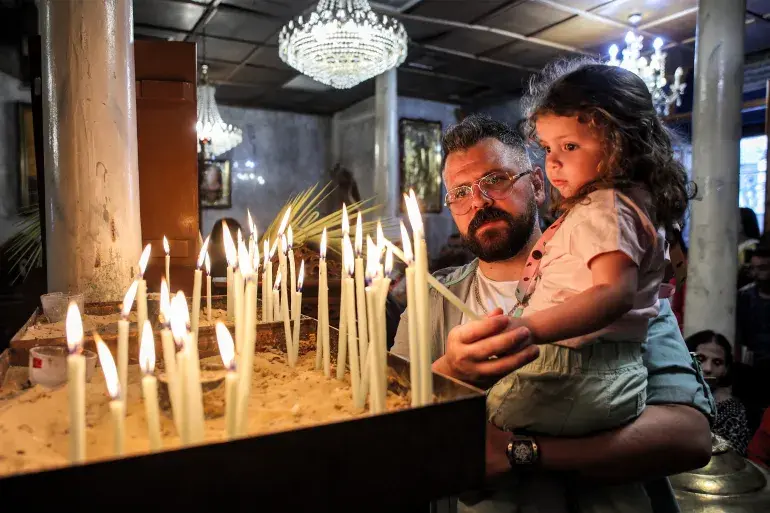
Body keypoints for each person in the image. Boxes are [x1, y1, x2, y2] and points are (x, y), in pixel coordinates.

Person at [391, 112, 713, 511]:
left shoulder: (614, 275)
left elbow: (690, 437)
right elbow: (393, 434)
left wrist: (520, 452)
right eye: (460, 192)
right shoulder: (432, 300)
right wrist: (452, 373)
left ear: (539, 184)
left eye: (495, 180)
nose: (479, 201)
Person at [479, 62, 692, 438]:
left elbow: (613, 292)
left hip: (575, 368)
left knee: (487, 427)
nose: (552, 161)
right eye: (547, 147)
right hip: (612, 370)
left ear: (621, 145)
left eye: (570, 146)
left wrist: (526, 329)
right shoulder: (626, 204)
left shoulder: (606, 207)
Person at [686, 330, 750, 455]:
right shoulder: (669, 396)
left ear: (726, 369)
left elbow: (731, 461)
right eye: (700, 358)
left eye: (717, 362)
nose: (707, 368)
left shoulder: (731, 411)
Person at [736, 241, 770, 380]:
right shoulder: (744, 296)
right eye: (753, 268)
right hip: (753, 366)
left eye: (763, 268)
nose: (756, 274)